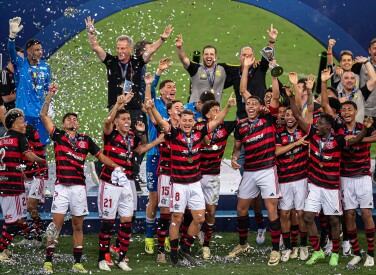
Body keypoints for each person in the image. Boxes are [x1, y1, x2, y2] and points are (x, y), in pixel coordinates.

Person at [287, 83, 373, 267]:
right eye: (317, 123)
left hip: (332, 187)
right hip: (316, 185)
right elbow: (296, 115)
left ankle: (335, 252)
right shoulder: (313, 135)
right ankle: (317, 251)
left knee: (334, 220)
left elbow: (356, 140)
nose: (316, 125)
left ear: (329, 127)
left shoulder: (338, 139)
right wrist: (291, 97)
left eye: (320, 124)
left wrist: (364, 129)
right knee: (308, 217)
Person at [40, 86, 124, 273]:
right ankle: (48, 261)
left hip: (79, 188)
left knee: (78, 226)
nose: (72, 120)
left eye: (75, 118)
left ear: (77, 124)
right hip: (61, 187)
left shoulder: (85, 139)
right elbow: (43, 116)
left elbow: (101, 156)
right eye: (68, 118)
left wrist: (116, 166)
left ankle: (77, 262)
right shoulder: (58, 136)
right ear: (62, 125)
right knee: (56, 225)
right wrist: (50, 96)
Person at [147, 93, 236, 267]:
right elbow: (162, 122)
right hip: (179, 184)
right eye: (184, 120)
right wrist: (152, 109)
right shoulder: (173, 134)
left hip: (195, 182)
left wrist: (229, 106)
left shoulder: (198, 133)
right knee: (177, 217)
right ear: (179, 121)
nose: (187, 123)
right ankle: (173, 255)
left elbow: (216, 122)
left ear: (194, 122)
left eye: (190, 120)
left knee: (200, 218)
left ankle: (185, 248)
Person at [85, 16, 173, 191]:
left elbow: (151, 51)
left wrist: (163, 38)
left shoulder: (136, 62)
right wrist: (91, 32)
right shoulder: (110, 61)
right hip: (116, 108)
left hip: (133, 108)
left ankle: (131, 171)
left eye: (124, 48)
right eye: (118, 48)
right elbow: (95, 47)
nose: (120, 51)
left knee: (140, 139)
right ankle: (102, 167)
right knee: (114, 139)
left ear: (130, 49)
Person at [97, 93, 164, 271]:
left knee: (127, 220)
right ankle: (102, 257)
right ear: (117, 123)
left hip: (127, 183)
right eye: (124, 119)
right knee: (109, 222)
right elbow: (107, 121)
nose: (127, 121)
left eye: (128, 118)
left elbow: (140, 149)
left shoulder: (131, 135)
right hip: (110, 183)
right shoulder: (110, 134)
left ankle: (121, 257)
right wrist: (117, 105)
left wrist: (154, 139)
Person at [228, 56, 282, 266]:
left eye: (254, 103)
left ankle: (276, 250)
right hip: (249, 171)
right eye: (248, 103)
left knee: (271, 210)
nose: (250, 105)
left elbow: (275, 97)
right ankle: (243, 244)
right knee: (241, 208)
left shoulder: (268, 118)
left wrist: (275, 75)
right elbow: (238, 147)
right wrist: (233, 158)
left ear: (260, 107)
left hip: (267, 170)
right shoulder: (241, 126)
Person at [321, 69, 376, 267]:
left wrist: (358, 139)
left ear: (355, 112)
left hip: (362, 177)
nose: (345, 112)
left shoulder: (363, 126)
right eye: (343, 110)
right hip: (345, 177)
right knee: (349, 215)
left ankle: (370, 253)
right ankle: (357, 252)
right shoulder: (338, 128)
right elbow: (326, 105)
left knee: (367, 214)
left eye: (349, 110)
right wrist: (324, 82)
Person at [0, 109, 47, 262]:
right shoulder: (19, 137)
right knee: (15, 221)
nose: (24, 123)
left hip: (3, 184)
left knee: (11, 220)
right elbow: (28, 155)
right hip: (14, 187)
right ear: (14, 124)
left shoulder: (2, 138)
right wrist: (40, 160)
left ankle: (8, 249)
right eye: (21, 121)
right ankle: (1, 251)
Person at [145, 98, 184, 263]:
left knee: (180, 213)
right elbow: (157, 121)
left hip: (183, 175)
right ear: (169, 111)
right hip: (167, 174)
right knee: (166, 212)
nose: (180, 110)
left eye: (182, 107)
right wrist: (151, 108)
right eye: (177, 108)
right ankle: (161, 249)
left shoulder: (187, 125)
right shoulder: (165, 125)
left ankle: (177, 245)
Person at [197, 100, 237, 259]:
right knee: (194, 211)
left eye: (219, 109)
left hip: (213, 176)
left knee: (211, 212)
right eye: (215, 110)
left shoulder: (225, 128)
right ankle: (191, 236)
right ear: (207, 115)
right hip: (196, 176)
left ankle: (206, 245)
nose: (218, 112)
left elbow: (243, 123)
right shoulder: (198, 128)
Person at [143, 59, 174, 255]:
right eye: (169, 87)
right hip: (155, 156)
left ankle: (169, 236)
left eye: (174, 87)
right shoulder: (156, 106)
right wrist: (158, 73)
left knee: (170, 200)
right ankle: (149, 237)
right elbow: (149, 97)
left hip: (172, 160)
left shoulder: (177, 108)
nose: (172, 89)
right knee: (154, 199)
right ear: (161, 91)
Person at [7, 17, 52, 146]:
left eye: (41, 49)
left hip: (40, 113)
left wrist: (50, 101)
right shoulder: (20, 64)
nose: (40, 52)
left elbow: (48, 87)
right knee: (24, 145)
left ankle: (42, 166)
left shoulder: (45, 67)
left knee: (42, 144)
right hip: (24, 113)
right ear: (29, 51)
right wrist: (11, 37)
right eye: (37, 50)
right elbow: (11, 51)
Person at [275, 105, 310, 262]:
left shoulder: (304, 131)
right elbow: (277, 152)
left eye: (292, 115)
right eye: (287, 114)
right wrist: (296, 143)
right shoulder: (279, 133)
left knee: (301, 213)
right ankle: (288, 247)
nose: (289, 117)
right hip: (284, 179)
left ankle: (303, 246)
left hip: (301, 178)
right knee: (285, 213)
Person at [174, 37, 232, 103]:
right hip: (195, 111)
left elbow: (240, 70)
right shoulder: (196, 68)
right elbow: (183, 59)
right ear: (202, 56)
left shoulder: (223, 68)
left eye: (211, 54)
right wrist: (179, 47)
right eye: (206, 54)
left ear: (215, 57)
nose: (209, 56)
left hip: (214, 110)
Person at [337, 56, 376, 123]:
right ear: (341, 81)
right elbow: (323, 104)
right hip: (340, 131)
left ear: (355, 81)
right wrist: (337, 101)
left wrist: (366, 62)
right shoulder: (336, 94)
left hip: (358, 132)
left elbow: (373, 79)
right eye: (346, 78)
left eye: (352, 78)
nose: (349, 80)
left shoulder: (360, 94)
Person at [0, 46, 24, 135]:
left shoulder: (19, 76)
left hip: (17, 122)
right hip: (4, 125)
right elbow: (6, 98)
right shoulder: (4, 74)